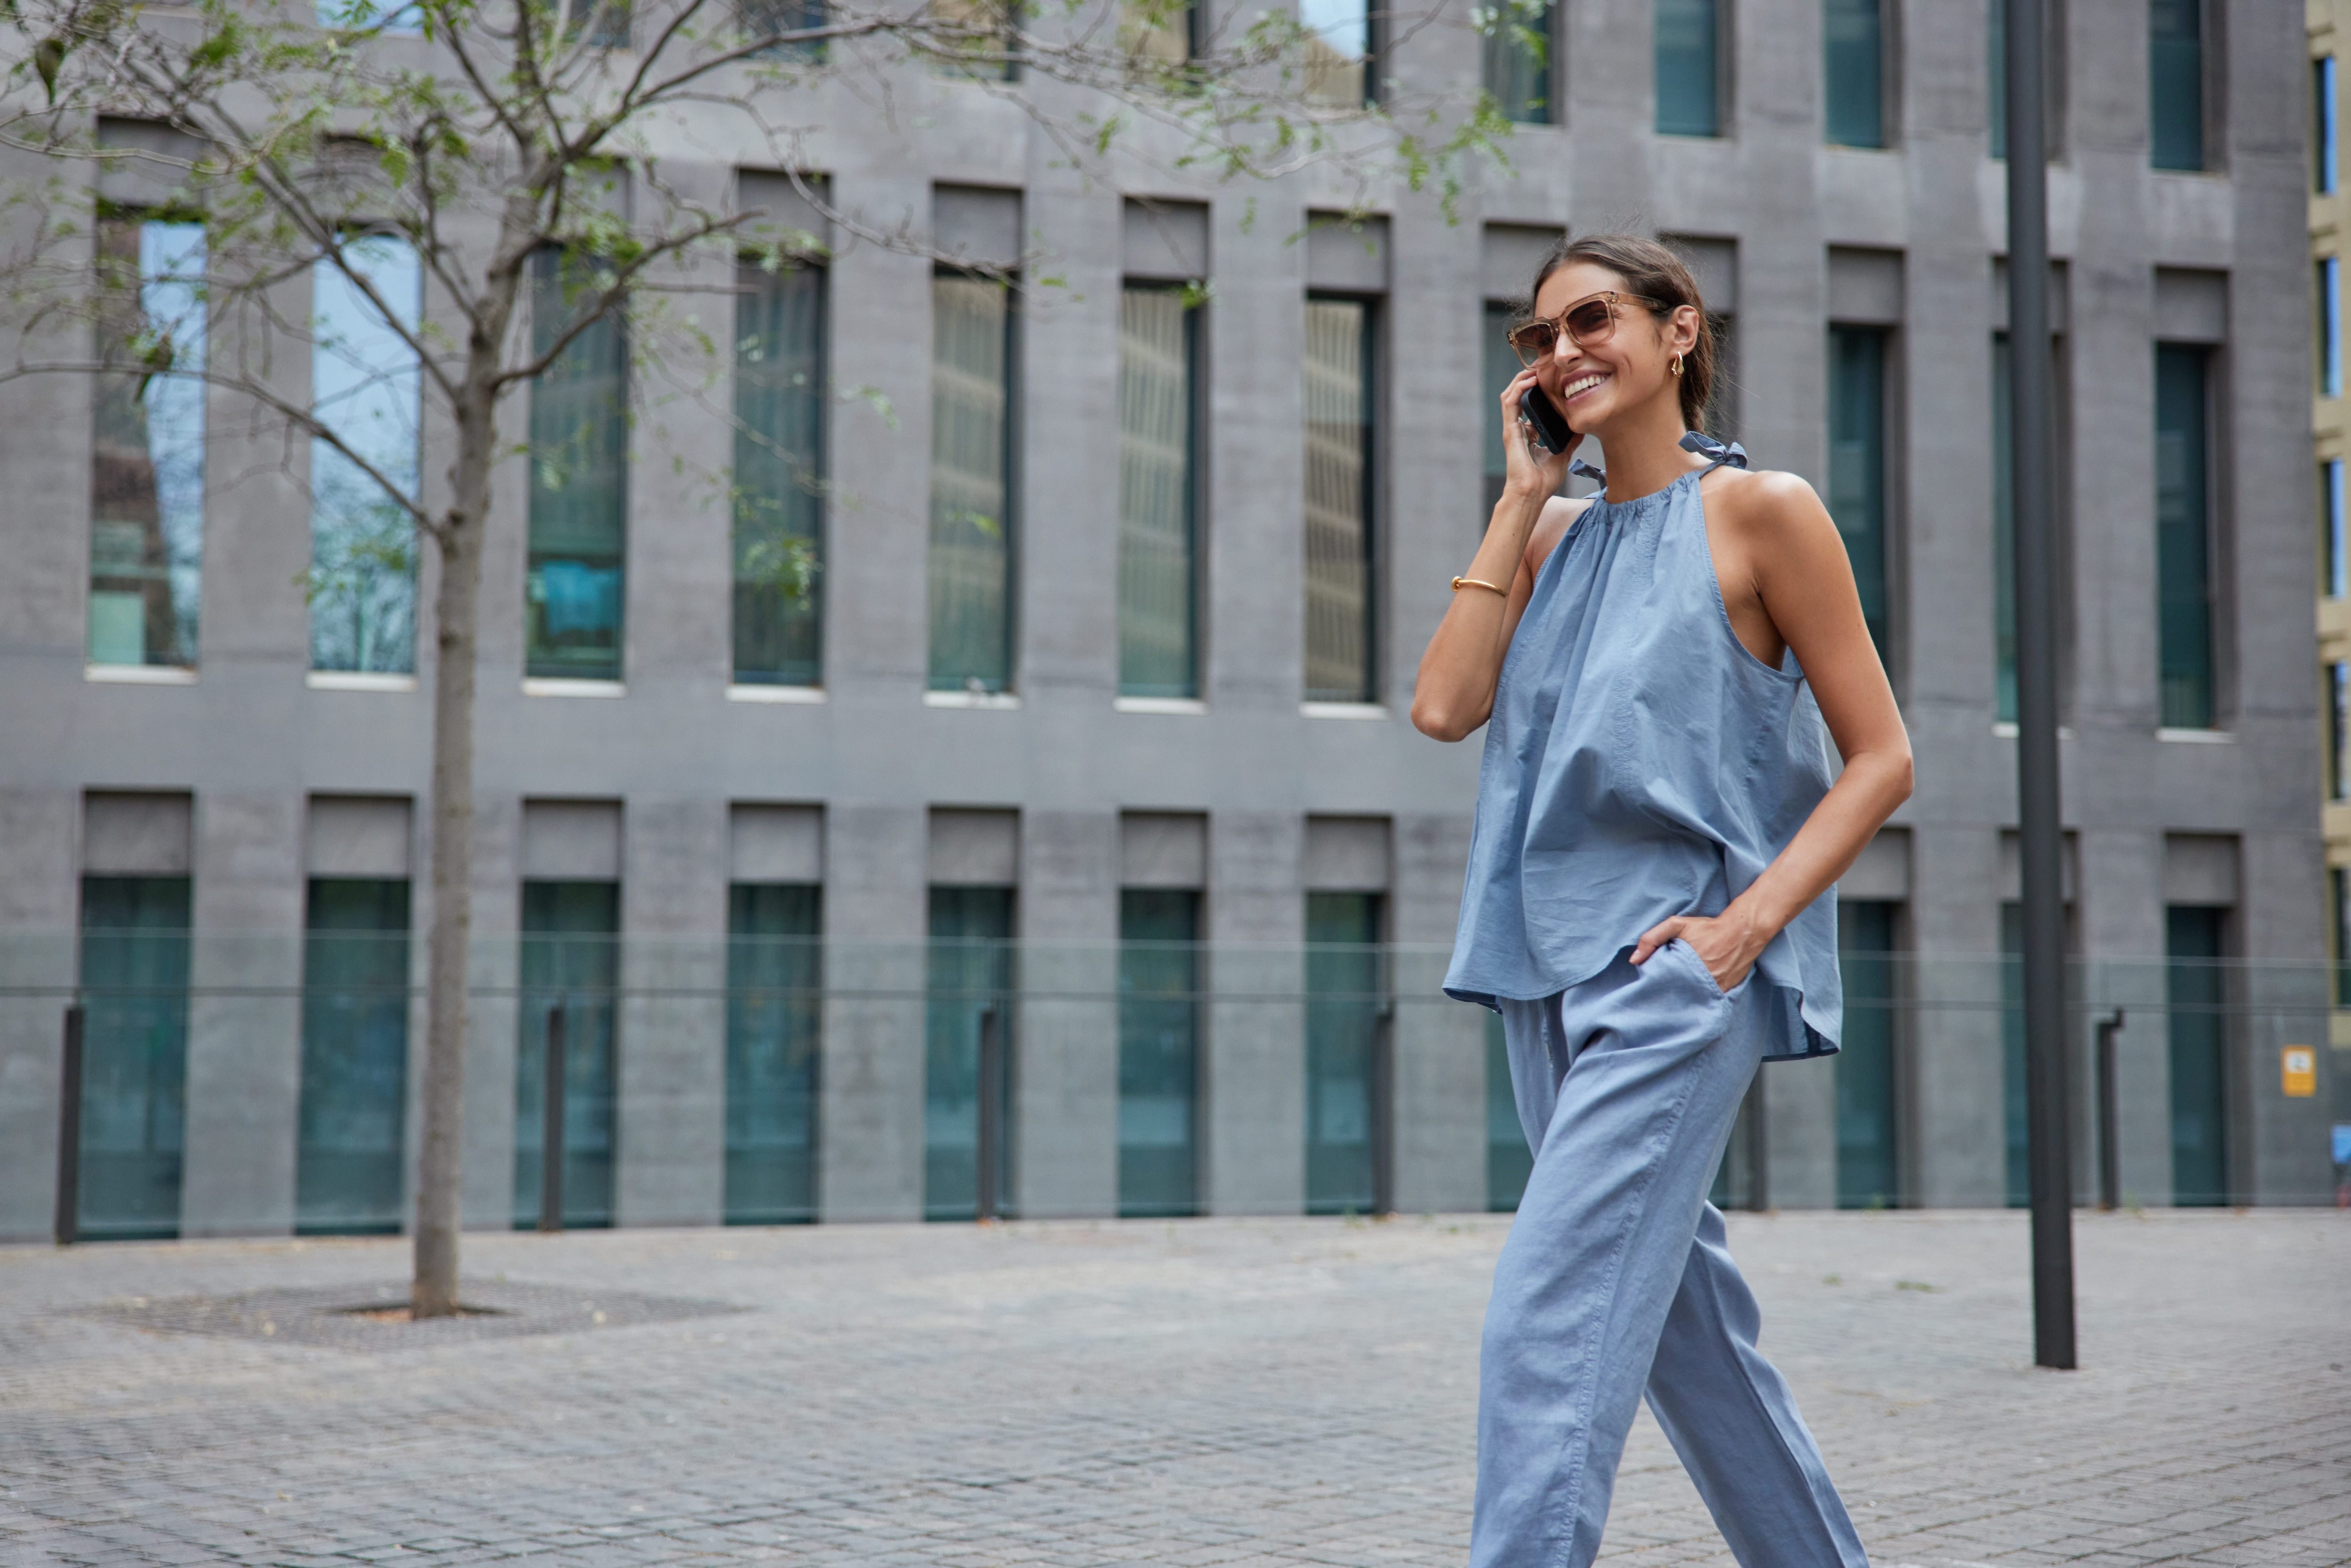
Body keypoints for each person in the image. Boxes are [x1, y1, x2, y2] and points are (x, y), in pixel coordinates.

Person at [1412, 233, 1911, 1567]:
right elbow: (1443, 707)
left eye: (1592, 321)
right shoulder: (1556, 536)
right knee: (1692, 1346)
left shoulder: (1762, 513)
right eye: (1542, 338)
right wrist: (1523, 495)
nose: (1565, 352)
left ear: (1678, 330)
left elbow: (1883, 757)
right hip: (1538, 974)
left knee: (1545, 1323)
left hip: (1672, 979)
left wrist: (1749, 929)